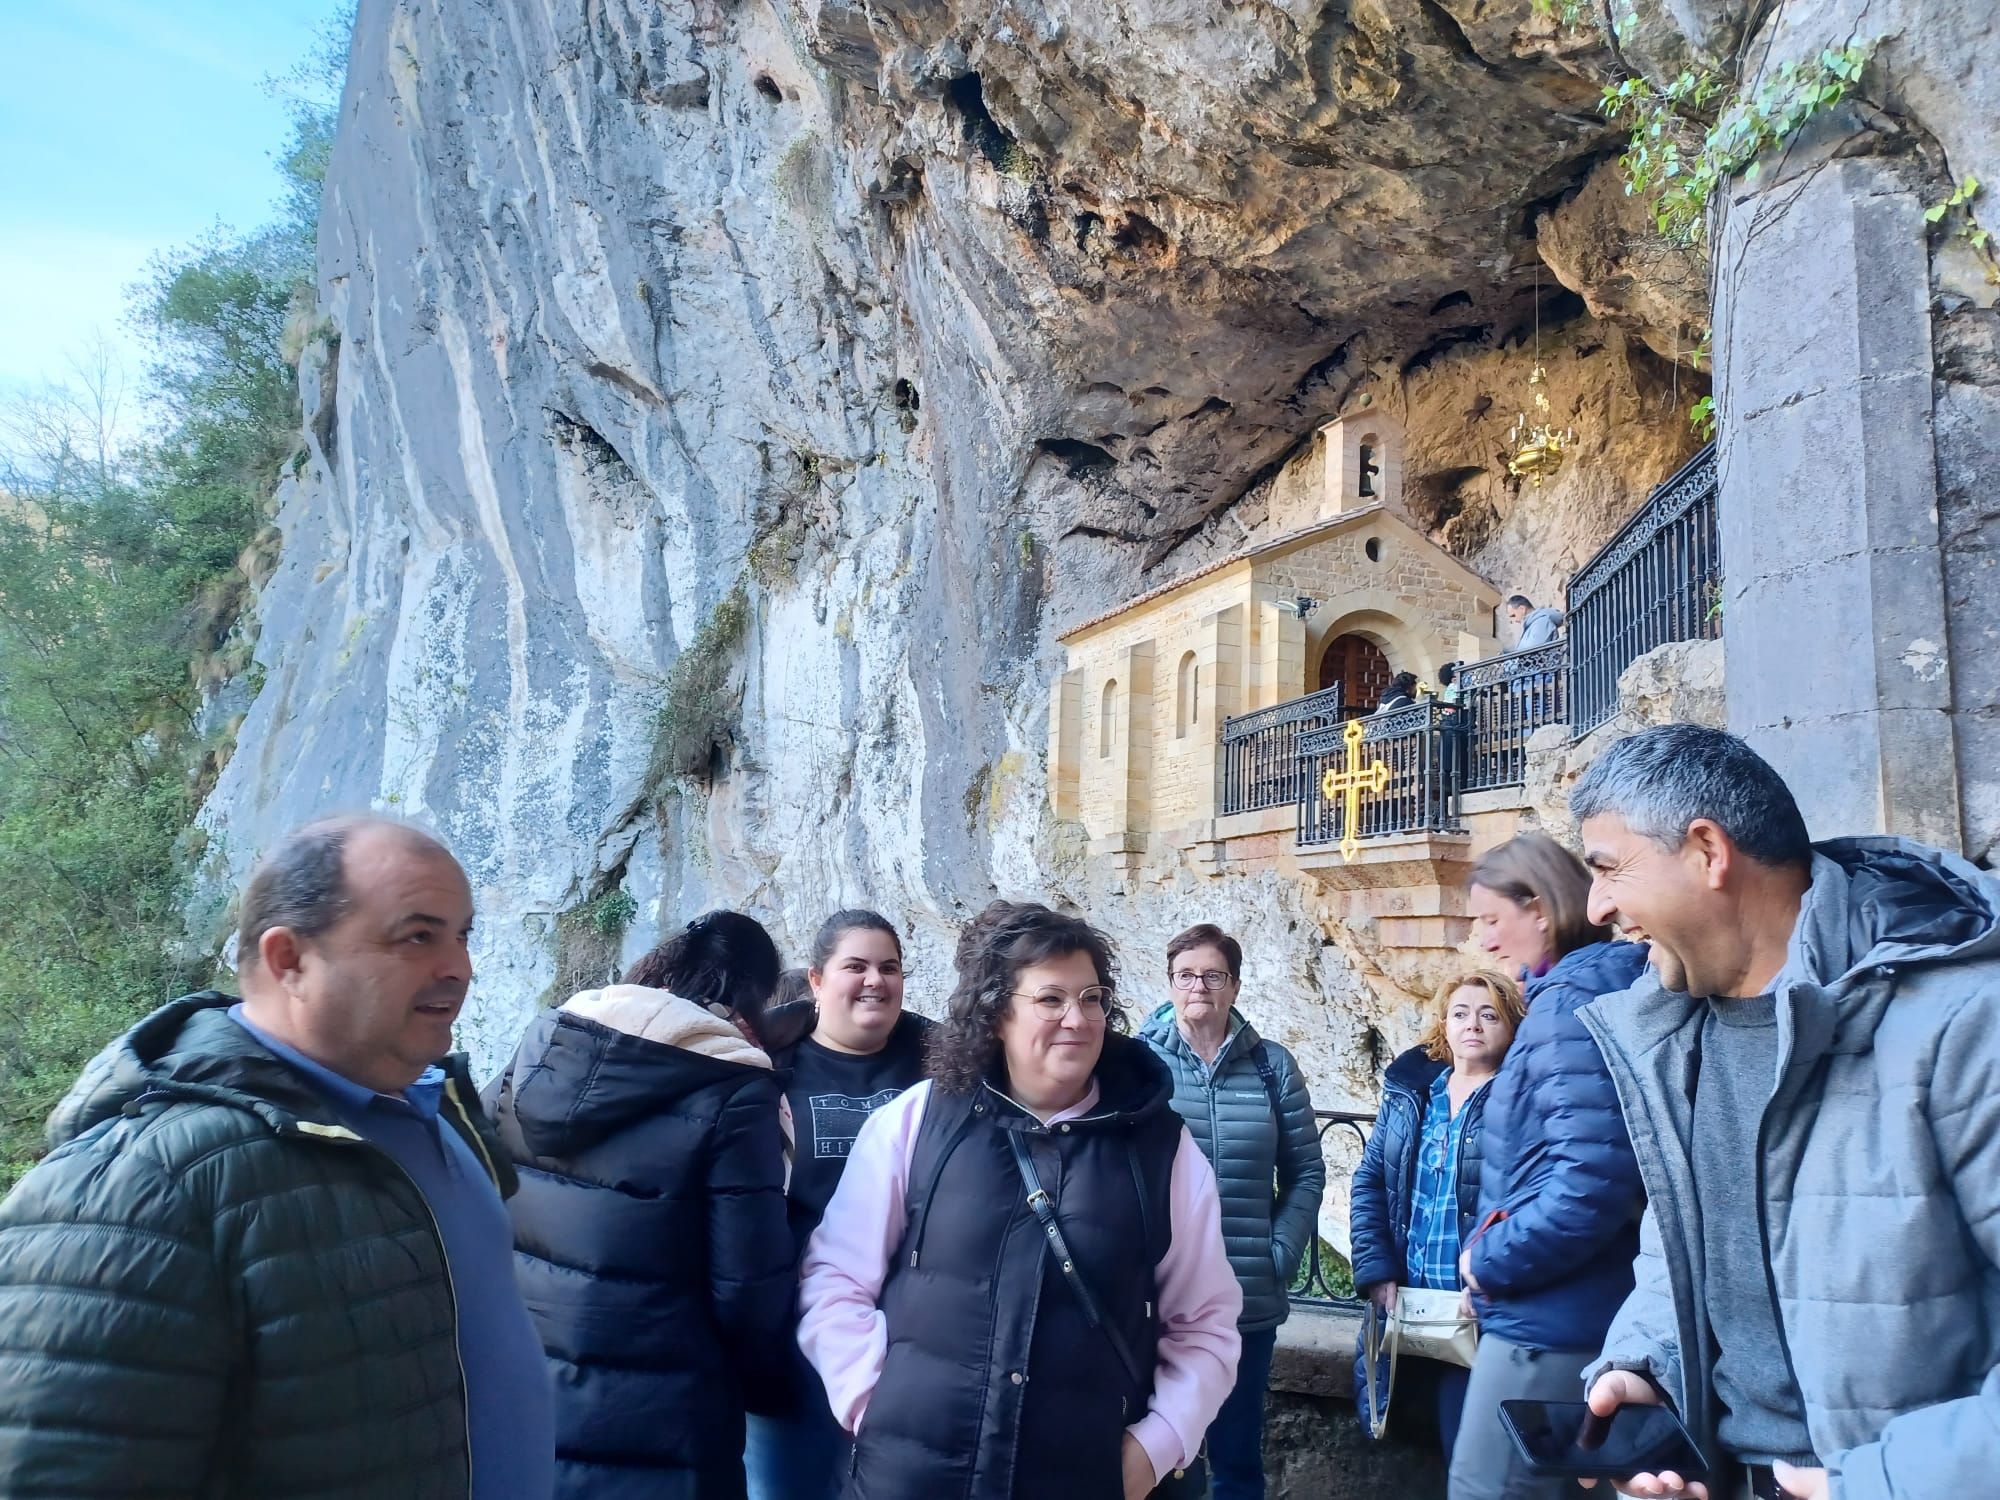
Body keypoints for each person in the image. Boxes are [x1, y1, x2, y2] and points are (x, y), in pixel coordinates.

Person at [0, 815, 554, 1499]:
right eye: (417, 936)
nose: (460, 968)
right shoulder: (141, 1186)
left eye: (462, 934)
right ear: (288, 959)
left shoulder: (445, 1114)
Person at [1567, 725, 2000, 1500]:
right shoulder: (1671, 1032)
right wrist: (1647, 1367)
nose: (1597, 907)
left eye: (1608, 869)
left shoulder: (1966, 1021)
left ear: (1707, 851)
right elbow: (1684, 1256)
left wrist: (1881, 1484)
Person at [797, 900, 1242, 1500]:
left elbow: (1205, 1322)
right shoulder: (918, 1122)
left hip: (1081, 1475)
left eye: (1092, 999)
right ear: (998, 1013)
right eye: (1051, 999)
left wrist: (1156, 1445)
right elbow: (835, 1279)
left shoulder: (1162, 1151)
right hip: (912, 1475)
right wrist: (872, 1399)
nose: (1077, 1019)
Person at [485, 910, 794, 1499]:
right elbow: (748, 1289)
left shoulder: (544, 1046)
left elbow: (476, 1184)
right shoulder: (734, 1088)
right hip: (665, 1417)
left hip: (525, 1389)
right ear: (751, 994)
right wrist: (773, 1386)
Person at [1449, 832, 1649, 1500]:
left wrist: (1487, 1261)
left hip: (1548, 1324)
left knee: (1488, 1488)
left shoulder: (1566, 1008)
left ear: (1539, 907)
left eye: (1492, 919)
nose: (1485, 939)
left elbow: (1592, 1181)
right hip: (1574, 1310)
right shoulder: (1577, 993)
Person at [747, 910, 933, 1500]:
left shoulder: (944, 1065)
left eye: (889, 967)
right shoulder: (763, 1070)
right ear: (818, 980)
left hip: (915, 1344)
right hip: (794, 1344)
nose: (875, 980)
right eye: (856, 966)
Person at [1140, 923, 1325, 1500]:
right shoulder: (1138, 1064)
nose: (1200, 985)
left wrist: (1280, 1254)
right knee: (1155, 1453)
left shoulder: (1272, 1066)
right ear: (1170, 983)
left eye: (1213, 974)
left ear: (1235, 986)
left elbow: (1306, 1173)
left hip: (1247, 1296)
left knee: (1237, 1460)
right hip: (1155, 1296)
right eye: (1187, 974)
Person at [1349, 969, 1525, 1457]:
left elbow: (1524, 1200)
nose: (1473, 1024)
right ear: (1443, 1025)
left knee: (1467, 1452)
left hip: (1474, 1312)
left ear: (1511, 1026)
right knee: (1409, 1440)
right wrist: (1377, 1270)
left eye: (1489, 1014)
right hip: (1405, 1306)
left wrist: (1489, 1276)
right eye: (1461, 1013)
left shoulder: (1518, 1098)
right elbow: (1369, 1182)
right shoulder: (1412, 1095)